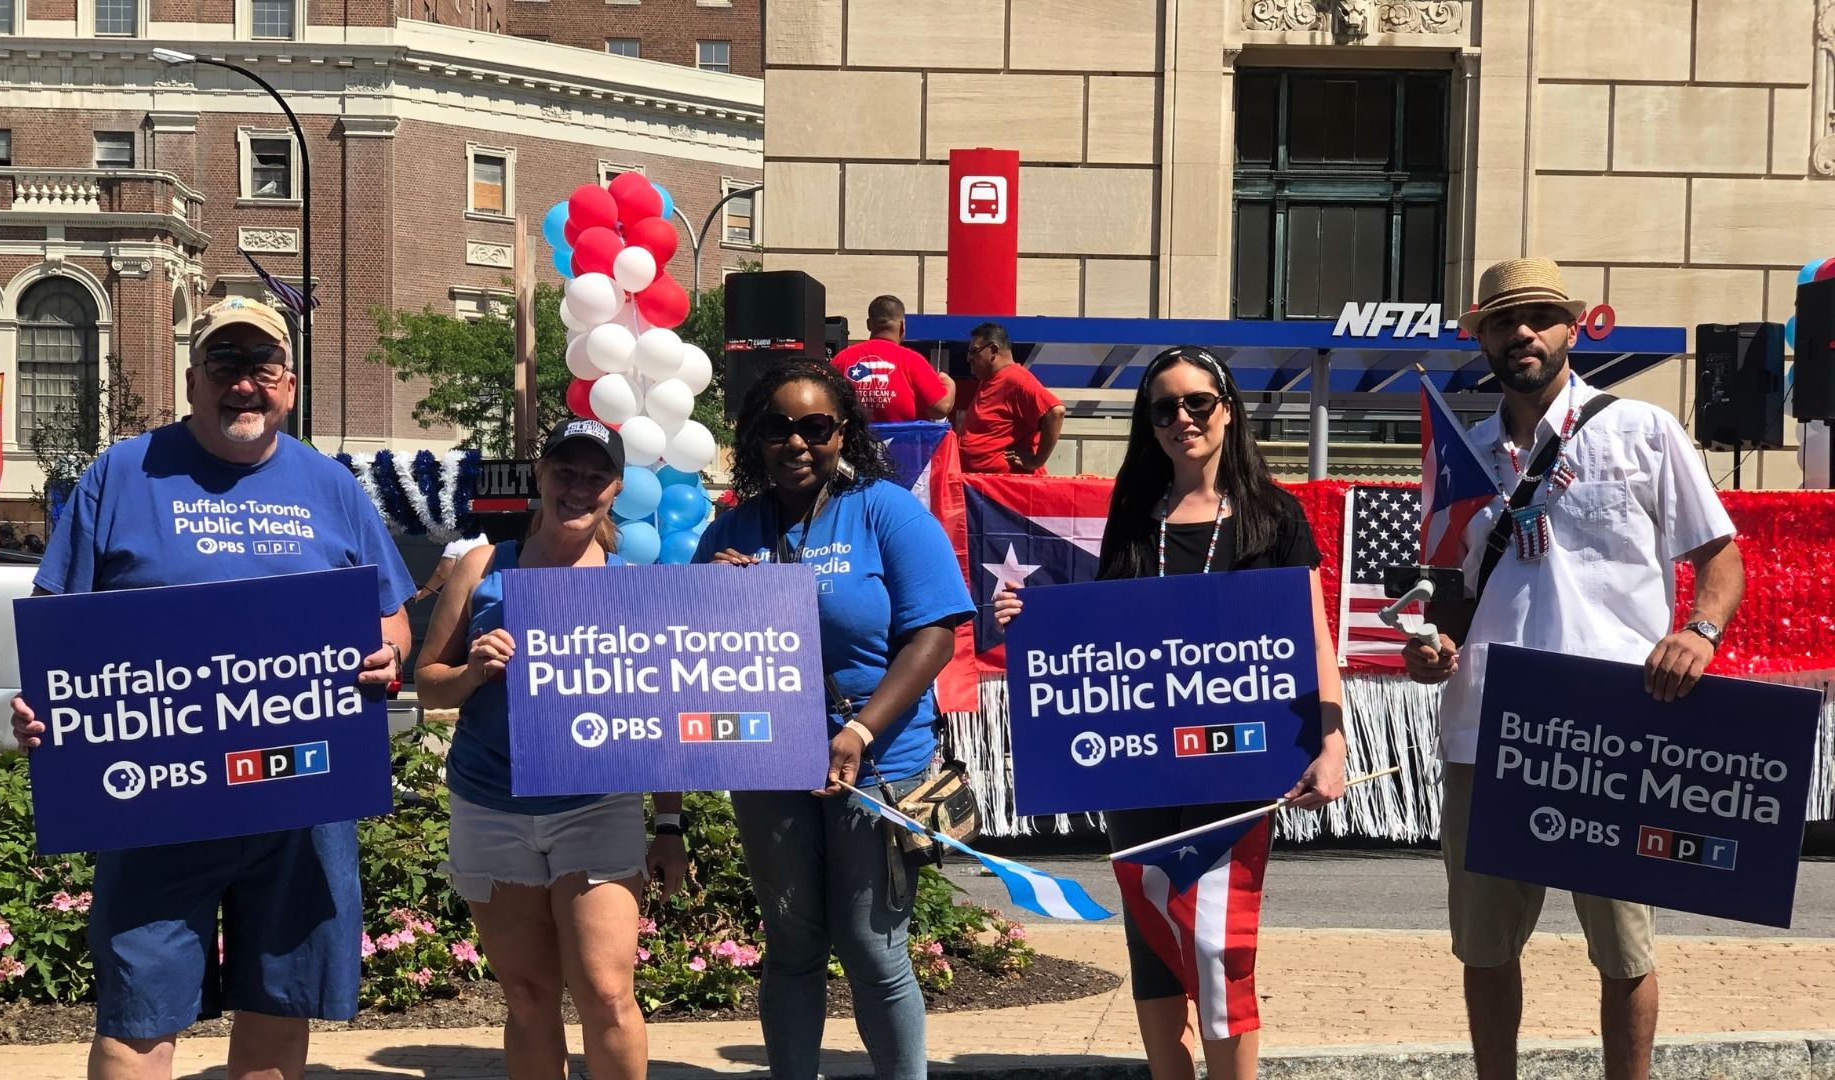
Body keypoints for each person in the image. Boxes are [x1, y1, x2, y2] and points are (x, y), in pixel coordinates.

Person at [8, 296, 416, 1080]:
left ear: (288, 386)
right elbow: (58, 627)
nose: (244, 385)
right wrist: (45, 709)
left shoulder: (330, 486)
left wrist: (385, 656)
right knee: (139, 1014)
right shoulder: (124, 472)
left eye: (261, 366)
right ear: (192, 380)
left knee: (278, 1002)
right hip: (158, 796)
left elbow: (391, 619)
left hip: (301, 793)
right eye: (223, 365)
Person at [1401, 258, 1745, 1080]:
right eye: (1502, 321)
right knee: (1484, 949)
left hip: (1611, 721)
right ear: (1479, 336)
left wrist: (1699, 630)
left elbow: (1721, 560)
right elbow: (1451, 600)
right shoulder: (1464, 457)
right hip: (1488, 725)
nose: (1521, 333)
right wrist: (1434, 648)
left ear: (1572, 328)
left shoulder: (1642, 429)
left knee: (1623, 950)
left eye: (1539, 318)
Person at [994, 345, 1347, 1080]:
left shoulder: (1274, 514)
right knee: (1152, 939)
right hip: (1139, 769)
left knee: (1222, 942)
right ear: (1148, 423)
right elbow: (1104, 636)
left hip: (1239, 761)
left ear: (1228, 409)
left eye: (1198, 403)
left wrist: (1332, 738)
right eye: (1164, 408)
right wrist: (1028, 617)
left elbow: (1312, 633)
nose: (1182, 419)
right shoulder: (1133, 512)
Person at [694, 361, 974, 1080]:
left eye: (815, 427)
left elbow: (934, 635)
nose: (797, 442)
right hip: (766, 758)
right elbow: (691, 652)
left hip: (874, 761)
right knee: (790, 945)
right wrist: (715, 598)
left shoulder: (885, 510)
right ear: (756, 439)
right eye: (779, 428)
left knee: (872, 948)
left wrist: (859, 732)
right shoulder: (731, 530)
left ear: (842, 431)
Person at [413, 418, 686, 1080]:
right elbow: (427, 686)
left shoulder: (632, 584)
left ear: (616, 490)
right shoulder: (485, 567)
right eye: (566, 471)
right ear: (541, 476)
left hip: (595, 803)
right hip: (490, 805)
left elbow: (662, 719)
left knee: (608, 995)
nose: (579, 487)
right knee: (529, 998)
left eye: (597, 477)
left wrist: (670, 823)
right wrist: (473, 671)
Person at [830, 295, 956, 423]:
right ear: (902, 325)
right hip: (902, 443)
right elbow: (941, 408)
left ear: (868, 325)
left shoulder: (841, 359)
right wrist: (949, 383)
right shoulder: (913, 361)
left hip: (854, 442)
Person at [958, 322, 1064, 474]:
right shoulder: (989, 380)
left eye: (974, 351)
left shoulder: (1017, 380)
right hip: (982, 486)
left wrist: (1036, 461)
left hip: (1005, 488)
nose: (969, 358)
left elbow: (1056, 411)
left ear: (993, 350)